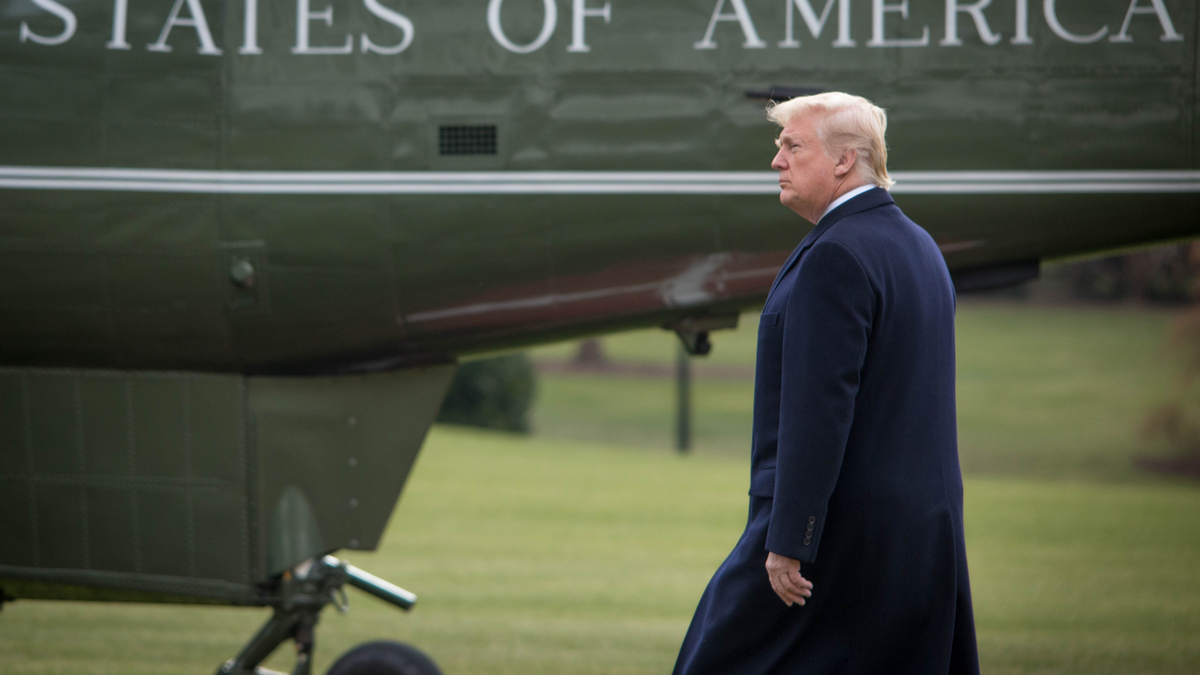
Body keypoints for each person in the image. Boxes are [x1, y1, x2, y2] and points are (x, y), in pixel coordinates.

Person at [673, 92, 979, 675]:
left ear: (845, 160)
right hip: (921, 537)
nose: (776, 161)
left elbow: (821, 411)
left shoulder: (836, 254)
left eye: (792, 146)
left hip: (834, 539)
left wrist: (791, 538)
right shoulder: (919, 247)